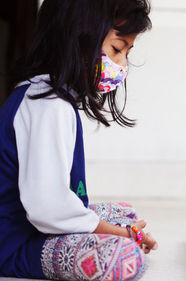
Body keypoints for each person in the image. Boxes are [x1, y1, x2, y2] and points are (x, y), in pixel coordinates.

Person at [0, 0, 158, 280]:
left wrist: (123, 227)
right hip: (14, 244)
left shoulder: (46, 93)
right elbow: (48, 207)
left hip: (33, 222)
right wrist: (124, 234)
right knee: (124, 257)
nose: (121, 65)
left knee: (124, 212)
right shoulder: (48, 105)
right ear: (77, 38)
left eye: (126, 53)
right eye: (116, 49)